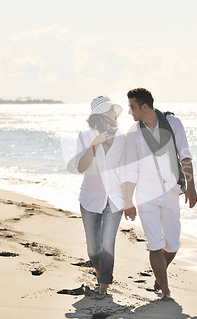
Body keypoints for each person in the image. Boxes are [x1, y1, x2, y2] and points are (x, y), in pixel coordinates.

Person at [123, 87, 197, 300]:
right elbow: (129, 169)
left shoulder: (173, 124)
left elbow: (185, 156)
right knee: (155, 244)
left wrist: (190, 187)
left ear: (144, 107)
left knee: (172, 245)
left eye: (132, 107)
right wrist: (128, 200)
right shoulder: (133, 133)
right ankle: (165, 292)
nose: (130, 112)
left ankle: (159, 275)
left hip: (171, 191)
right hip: (146, 196)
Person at [73, 95, 131, 295]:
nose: (112, 114)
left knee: (107, 244)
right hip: (90, 198)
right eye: (108, 110)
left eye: (113, 110)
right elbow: (81, 167)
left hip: (115, 199)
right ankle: (100, 272)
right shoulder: (85, 135)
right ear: (98, 115)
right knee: (93, 249)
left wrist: (130, 201)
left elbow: (126, 172)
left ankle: (103, 287)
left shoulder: (122, 138)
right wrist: (95, 145)